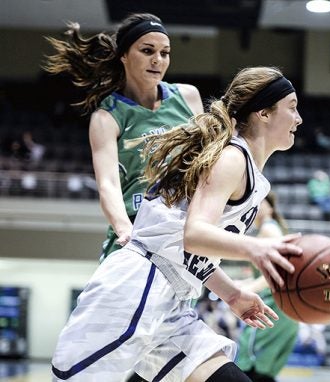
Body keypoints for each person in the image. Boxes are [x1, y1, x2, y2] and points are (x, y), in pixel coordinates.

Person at [51, 66, 304, 382]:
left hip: (172, 302)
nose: (299, 119)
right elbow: (194, 235)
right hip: (135, 288)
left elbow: (192, 253)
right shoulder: (232, 159)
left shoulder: (247, 169)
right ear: (264, 113)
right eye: (292, 107)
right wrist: (256, 247)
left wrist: (232, 294)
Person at [44, 13, 203, 260]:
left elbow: (206, 165)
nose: (158, 60)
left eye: (165, 53)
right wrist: (123, 229)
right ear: (124, 55)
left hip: (184, 232)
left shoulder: (189, 97)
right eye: (147, 51)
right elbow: (107, 183)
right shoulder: (107, 117)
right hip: (136, 229)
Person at [236, 192, 299, 382]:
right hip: (286, 309)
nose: (254, 205)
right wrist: (243, 284)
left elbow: (277, 273)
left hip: (272, 308)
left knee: (249, 368)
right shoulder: (273, 229)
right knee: (264, 374)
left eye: (260, 202)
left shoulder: (269, 229)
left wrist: (243, 291)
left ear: (270, 208)